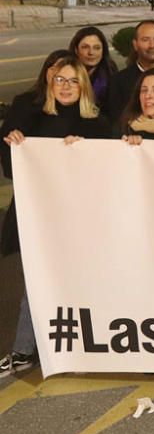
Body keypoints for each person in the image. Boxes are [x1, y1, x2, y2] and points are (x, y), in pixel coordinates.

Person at [0, 56, 113, 378]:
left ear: (84, 87)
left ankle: (77, 348)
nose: (66, 86)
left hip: (80, 222)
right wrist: (14, 145)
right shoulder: (33, 122)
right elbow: (11, 169)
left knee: (77, 283)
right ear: (51, 84)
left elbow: (107, 174)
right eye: (60, 80)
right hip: (38, 218)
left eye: (73, 81)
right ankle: (23, 349)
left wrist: (84, 152)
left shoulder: (98, 125)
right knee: (37, 282)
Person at [108, 21, 154, 122]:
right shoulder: (119, 81)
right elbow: (116, 121)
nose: (152, 45)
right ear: (135, 44)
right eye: (145, 40)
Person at [69, 27, 118, 115]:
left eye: (97, 48)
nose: (91, 52)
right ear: (76, 50)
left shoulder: (112, 75)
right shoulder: (66, 74)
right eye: (85, 47)